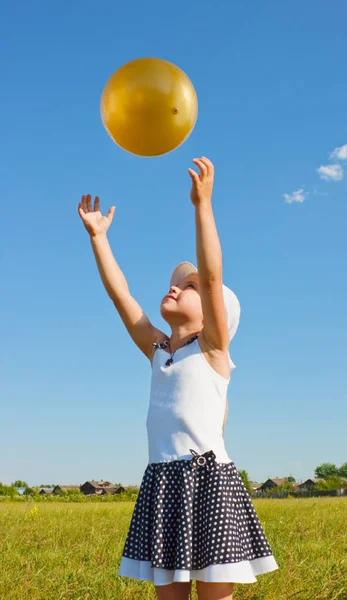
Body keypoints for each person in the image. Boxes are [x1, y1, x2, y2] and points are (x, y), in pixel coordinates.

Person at [77, 157, 279, 600]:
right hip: (163, 483)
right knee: (168, 595)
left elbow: (211, 275)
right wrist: (98, 239)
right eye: (176, 284)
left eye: (188, 289)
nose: (176, 287)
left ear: (213, 310)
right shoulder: (158, 350)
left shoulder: (213, 348)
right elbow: (121, 296)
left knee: (214, 595)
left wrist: (202, 206)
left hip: (209, 481)